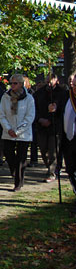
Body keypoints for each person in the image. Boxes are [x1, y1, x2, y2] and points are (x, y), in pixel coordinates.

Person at [0, 74, 35, 191]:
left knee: (21, 158)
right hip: (8, 132)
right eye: (11, 83)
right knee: (8, 154)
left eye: (15, 83)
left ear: (21, 84)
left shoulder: (29, 98)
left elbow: (29, 117)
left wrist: (18, 131)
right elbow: (2, 115)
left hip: (23, 133)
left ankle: (18, 183)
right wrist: (8, 128)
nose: (12, 86)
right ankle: (14, 172)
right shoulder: (5, 97)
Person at [33, 74, 67, 183]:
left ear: (56, 80)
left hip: (54, 127)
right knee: (43, 150)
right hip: (41, 126)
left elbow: (63, 111)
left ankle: (51, 172)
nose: (49, 82)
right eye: (47, 80)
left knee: (53, 151)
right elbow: (35, 109)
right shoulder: (39, 93)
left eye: (51, 80)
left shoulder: (61, 93)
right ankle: (50, 166)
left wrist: (51, 120)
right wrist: (40, 119)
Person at [62, 73, 76, 213]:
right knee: (71, 169)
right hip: (69, 139)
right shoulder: (67, 97)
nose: (73, 87)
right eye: (72, 84)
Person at [24, 75, 39, 167]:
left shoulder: (31, 94)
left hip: (32, 121)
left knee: (33, 141)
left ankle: (34, 159)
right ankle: (23, 159)